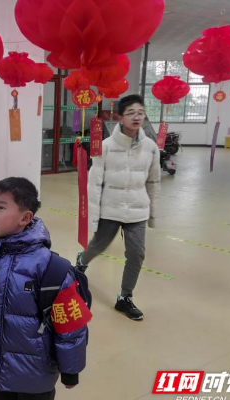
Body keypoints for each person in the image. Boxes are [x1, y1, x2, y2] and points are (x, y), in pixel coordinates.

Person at [0, 177, 89, 400]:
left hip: (36, 376)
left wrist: (70, 370)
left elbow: (70, 324)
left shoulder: (52, 268)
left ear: (25, 218)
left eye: (1, 207)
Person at [76, 94, 160, 321]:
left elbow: (153, 181)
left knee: (137, 254)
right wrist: (93, 218)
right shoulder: (105, 146)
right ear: (120, 117)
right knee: (97, 246)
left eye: (140, 113)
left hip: (137, 210)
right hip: (110, 209)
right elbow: (94, 183)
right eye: (131, 113)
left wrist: (152, 214)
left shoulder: (151, 147)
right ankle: (81, 262)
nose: (136, 117)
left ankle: (125, 298)